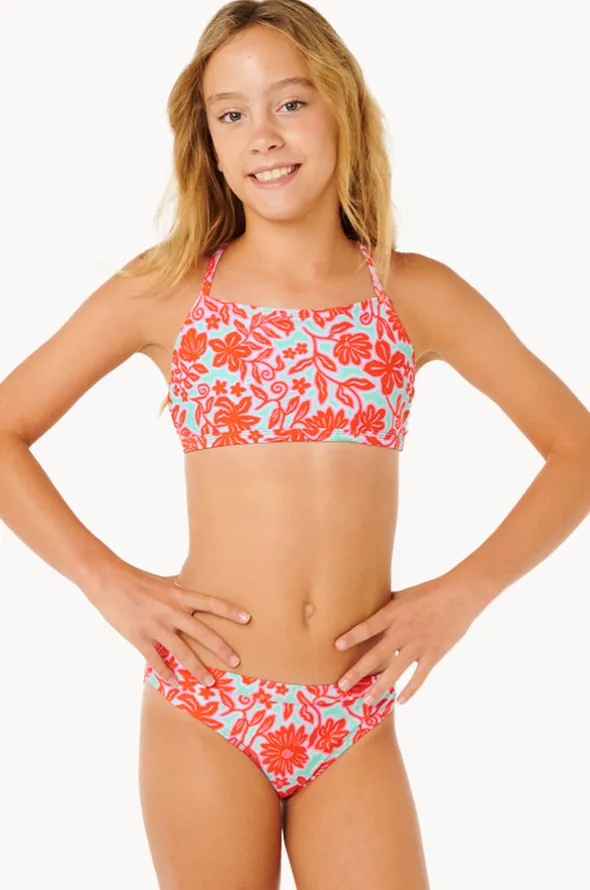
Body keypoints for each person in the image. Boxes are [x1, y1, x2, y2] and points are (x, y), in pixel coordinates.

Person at [1, 1, 589, 888]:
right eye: (231, 114)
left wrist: (463, 595)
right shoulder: (167, 292)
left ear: (341, 107)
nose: (264, 137)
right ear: (208, 143)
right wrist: (107, 583)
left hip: (353, 715)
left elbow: (575, 447)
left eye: (290, 102)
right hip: (209, 702)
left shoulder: (412, 294)